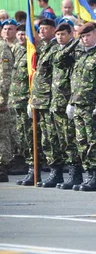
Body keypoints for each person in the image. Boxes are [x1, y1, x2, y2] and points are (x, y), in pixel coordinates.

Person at [68, 22, 96, 192]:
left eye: (88, 35)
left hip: (92, 107)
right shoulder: (80, 57)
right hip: (79, 105)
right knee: (82, 142)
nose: (85, 39)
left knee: (95, 142)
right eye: (82, 36)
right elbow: (75, 83)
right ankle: (89, 174)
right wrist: (71, 103)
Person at [51, 22, 82, 190]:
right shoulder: (58, 50)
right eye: (57, 34)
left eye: (63, 34)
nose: (59, 37)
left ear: (71, 34)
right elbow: (58, 61)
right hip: (57, 102)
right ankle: (66, 173)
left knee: (71, 140)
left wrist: (76, 42)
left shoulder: (75, 50)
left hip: (68, 101)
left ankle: (75, 174)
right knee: (62, 140)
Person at [30, 19, 61, 187]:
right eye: (40, 28)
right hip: (40, 99)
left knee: (52, 137)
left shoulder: (56, 49)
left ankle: (57, 171)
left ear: (53, 30)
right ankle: (49, 169)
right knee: (45, 139)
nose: (41, 31)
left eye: (45, 28)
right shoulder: (41, 49)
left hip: (51, 99)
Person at [10, 25, 38, 185]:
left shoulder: (32, 53)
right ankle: (30, 168)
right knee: (23, 137)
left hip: (28, 101)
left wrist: (31, 99)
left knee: (30, 135)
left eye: (24, 34)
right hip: (18, 102)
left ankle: (34, 170)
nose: (22, 37)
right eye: (20, 34)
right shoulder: (19, 52)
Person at [0, 37, 14, 182]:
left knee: (2, 134)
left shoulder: (2, 47)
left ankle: (2, 167)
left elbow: (5, 75)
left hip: (0, 97)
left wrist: (2, 98)